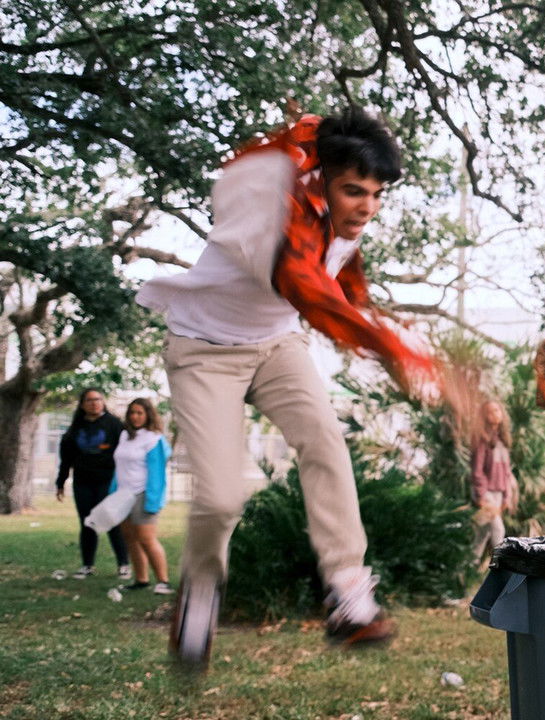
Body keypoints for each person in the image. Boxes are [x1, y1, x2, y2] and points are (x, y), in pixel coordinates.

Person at [136, 107, 436, 669]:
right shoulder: (275, 218)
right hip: (205, 352)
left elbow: (345, 283)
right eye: (353, 191)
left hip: (276, 345)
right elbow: (308, 290)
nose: (365, 208)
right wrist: (401, 355)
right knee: (223, 495)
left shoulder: (344, 220)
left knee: (324, 439)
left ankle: (348, 593)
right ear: (322, 181)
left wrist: (385, 331)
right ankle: (200, 592)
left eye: (375, 194)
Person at [55, 388, 130, 580]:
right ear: (82, 404)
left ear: (103, 402)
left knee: (112, 520)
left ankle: (123, 565)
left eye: (98, 399)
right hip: (83, 482)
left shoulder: (114, 425)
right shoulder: (75, 428)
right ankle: (87, 565)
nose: (94, 403)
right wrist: (61, 482)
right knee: (88, 523)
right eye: (89, 400)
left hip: (108, 481)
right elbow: (66, 458)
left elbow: (126, 453)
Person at [112, 398, 174, 595]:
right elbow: (119, 468)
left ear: (148, 415)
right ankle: (141, 580)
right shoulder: (125, 436)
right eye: (132, 413)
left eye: (140, 413)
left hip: (143, 495)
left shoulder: (153, 439)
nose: (135, 417)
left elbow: (157, 473)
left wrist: (153, 501)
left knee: (146, 538)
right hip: (123, 494)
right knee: (130, 538)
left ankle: (163, 581)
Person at [470, 400, 517, 566]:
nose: (494, 414)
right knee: (498, 529)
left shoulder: (503, 439)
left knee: (482, 533)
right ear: (484, 416)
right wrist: (481, 495)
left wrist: (507, 496)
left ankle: (467, 570)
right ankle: (501, 568)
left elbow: (506, 472)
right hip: (485, 492)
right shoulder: (482, 439)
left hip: (498, 493)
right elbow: (477, 470)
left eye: (497, 410)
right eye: (489, 412)